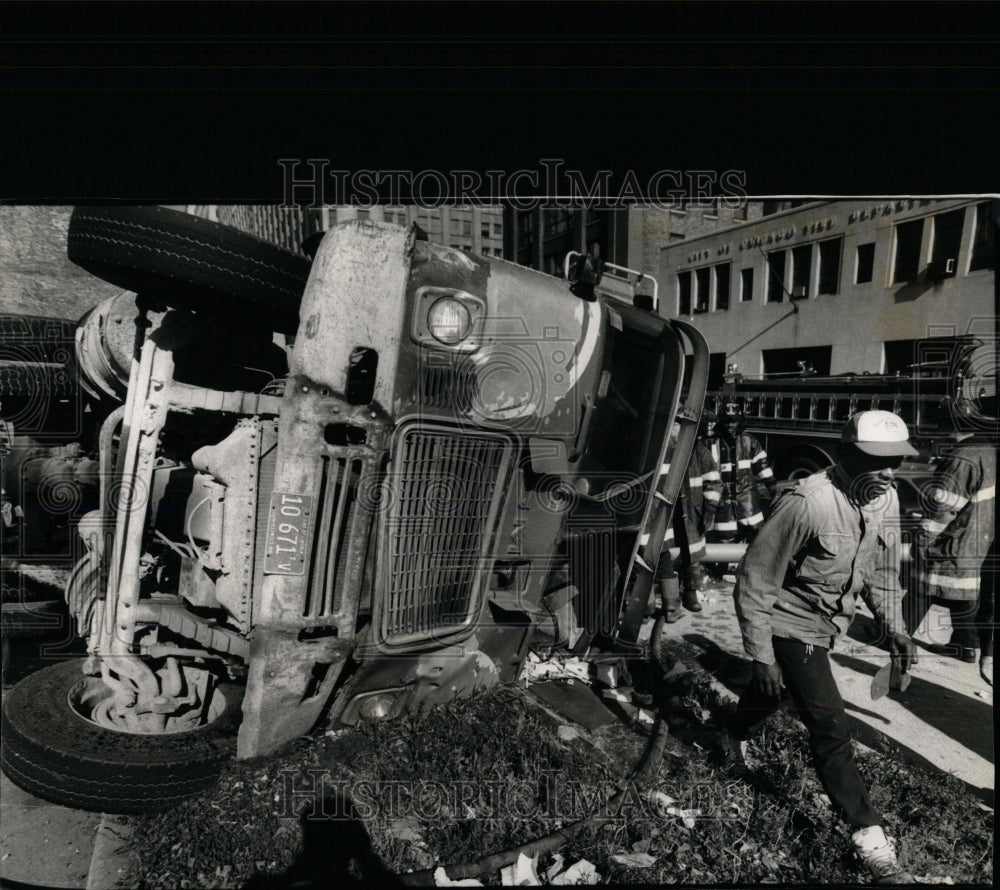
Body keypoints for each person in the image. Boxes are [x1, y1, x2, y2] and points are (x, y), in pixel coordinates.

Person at [725, 410, 918, 883]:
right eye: (881, 461)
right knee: (830, 724)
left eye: (897, 462)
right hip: (790, 624)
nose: (892, 473)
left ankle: (729, 734)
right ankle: (868, 837)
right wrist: (762, 653)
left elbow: (881, 571)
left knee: (773, 696)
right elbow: (754, 580)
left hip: (832, 623)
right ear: (846, 454)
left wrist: (894, 626)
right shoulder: (807, 503)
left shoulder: (884, 498)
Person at [906, 435, 995, 681]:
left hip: (954, 540)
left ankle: (898, 639)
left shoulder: (964, 455)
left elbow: (942, 506)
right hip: (978, 540)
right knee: (963, 592)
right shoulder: (989, 451)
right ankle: (964, 645)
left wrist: (922, 540)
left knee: (922, 584)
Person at [652, 417, 722, 620]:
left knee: (691, 555)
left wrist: (709, 509)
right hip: (663, 513)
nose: (677, 428)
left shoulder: (698, 450)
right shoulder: (658, 447)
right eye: (674, 422)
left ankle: (690, 591)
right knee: (660, 554)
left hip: (691, 513)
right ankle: (664, 602)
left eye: (681, 423)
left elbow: (714, 481)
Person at [706, 401, 776, 545]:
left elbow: (763, 467)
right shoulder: (711, 443)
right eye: (726, 421)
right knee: (724, 536)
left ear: (739, 422)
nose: (729, 425)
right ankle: (723, 566)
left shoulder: (749, 441)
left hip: (747, 497)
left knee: (756, 534)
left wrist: (773, 489)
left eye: (733, 422)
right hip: (722, 499)